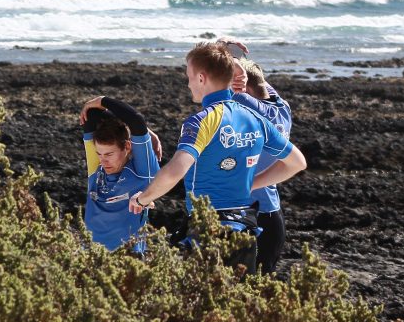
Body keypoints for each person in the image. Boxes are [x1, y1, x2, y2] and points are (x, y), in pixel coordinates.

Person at [128, 42, 307, 274]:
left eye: (189, 76)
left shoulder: (203, 120)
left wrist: (143, 199)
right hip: (246, 230)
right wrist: (250, 183)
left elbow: (175, 170)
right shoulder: (254, 118)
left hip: (210, 230)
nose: (188, 83)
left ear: (201, 78)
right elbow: (297, 163)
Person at [224, 40, 294, 274]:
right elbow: (259, 81)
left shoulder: (245, 104)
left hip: (255, 219)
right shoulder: (282, 107)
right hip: (273, 216)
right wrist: (240, 65)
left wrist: (222, 51)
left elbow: (215, 83)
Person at [79, 96, 161, 251]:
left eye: (109, 154)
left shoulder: (143, 171)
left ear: (128, 146)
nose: (103, 161)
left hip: (127, 260)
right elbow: (92, 115)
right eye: (99, 154)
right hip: (89, 257)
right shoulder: (96, 168)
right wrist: (147, 132)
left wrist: (102, 100)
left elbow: (136, 120)